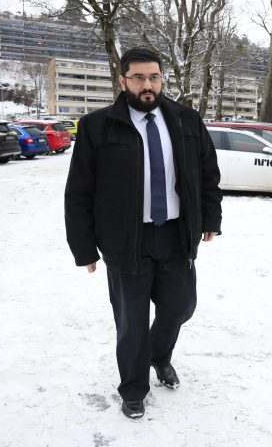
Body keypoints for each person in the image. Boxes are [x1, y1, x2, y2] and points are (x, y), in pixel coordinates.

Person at [64, 47, 222, 420]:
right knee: (131, 322)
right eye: (138, 77)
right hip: (125, 240)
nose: (147, 85)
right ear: (123, 80)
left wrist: (210, 218)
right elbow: (79, 191)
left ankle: (158, 355)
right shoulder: (97, 126)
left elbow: (207, 173)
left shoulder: (185, 120)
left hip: (175, 235)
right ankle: (134, 388)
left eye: (153, 77)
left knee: (180, 306)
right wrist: (84, 248)